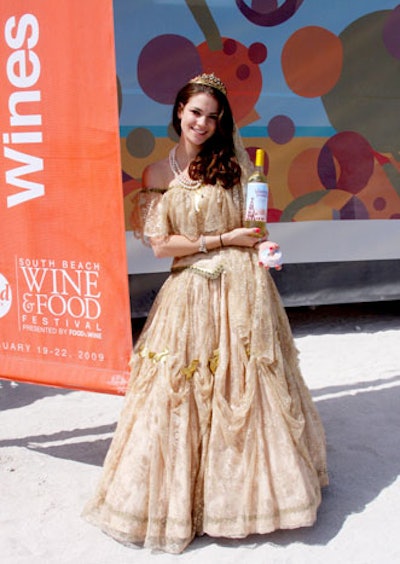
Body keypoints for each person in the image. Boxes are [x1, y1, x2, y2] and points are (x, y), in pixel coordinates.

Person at [82, 73, 328, 554]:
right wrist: (221, 240)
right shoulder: (157, 174)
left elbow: (252, 228)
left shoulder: (234, 166)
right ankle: (181, 501)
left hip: (242, 289)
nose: (203, 123)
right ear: (178, 111)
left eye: (213, 117)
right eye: (196, 112)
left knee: (245, 390)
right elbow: (160, 247)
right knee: (180, 394)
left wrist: (258, 243)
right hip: (188, 294)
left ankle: (236, 500)